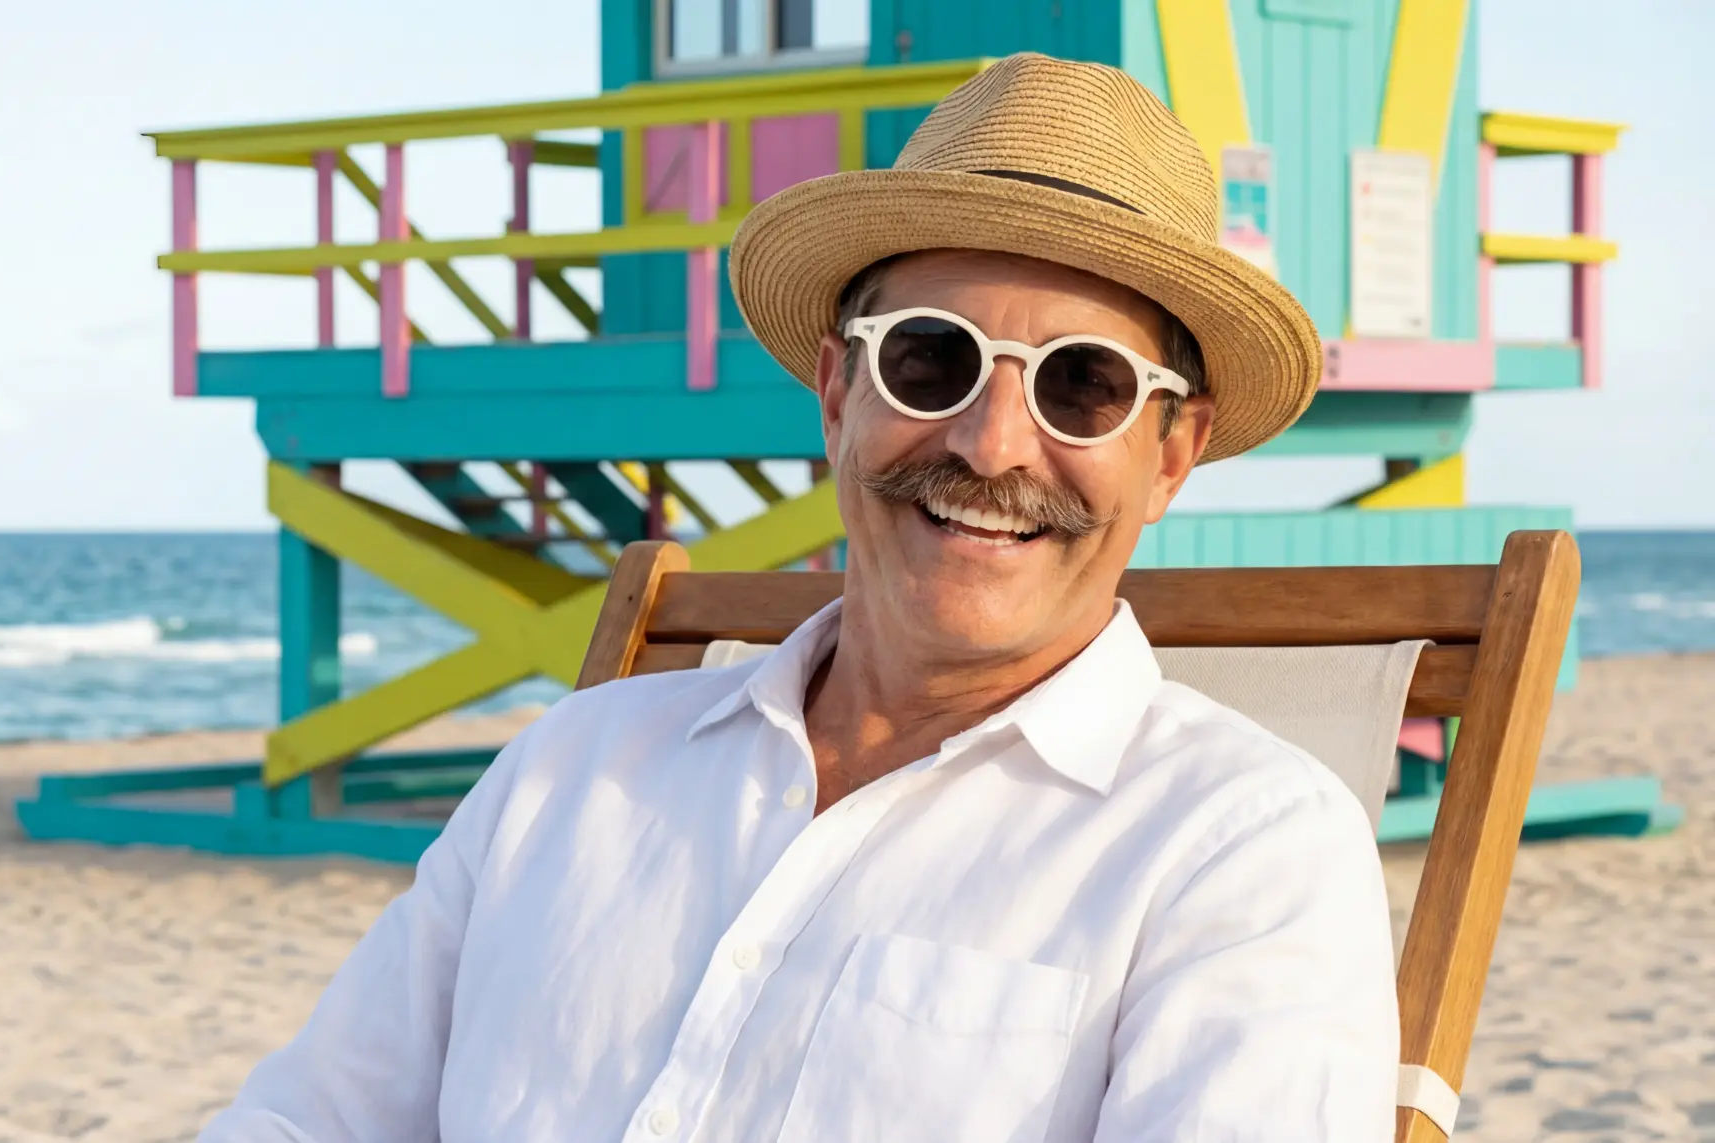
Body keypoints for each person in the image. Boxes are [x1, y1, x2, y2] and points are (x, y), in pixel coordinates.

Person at [200, 52, 1396, 1143]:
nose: (989, 448)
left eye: (1082, 387)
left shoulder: (1239, 851)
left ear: (1170, 453)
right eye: (931, 358)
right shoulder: (570, 770)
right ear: (837, 391)